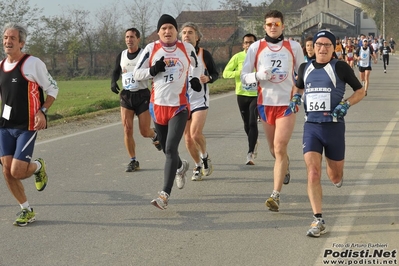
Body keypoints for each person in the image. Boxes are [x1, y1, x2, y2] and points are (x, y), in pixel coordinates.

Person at [289, 30, 365, 237]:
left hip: (334, 128)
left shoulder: (339, 67)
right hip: (311, 127)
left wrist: (346, 105)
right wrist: (296, 98)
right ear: (313, 47)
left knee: (334, 175)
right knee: (313, 172)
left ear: (334, 48)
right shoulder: (305, 67)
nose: (322, 48)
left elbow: (360, 91)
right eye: (319, 44)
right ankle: (317, 219)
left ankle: (337, 176)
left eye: (327, 45)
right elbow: (298, 88)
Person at [133, 14, 201, 210]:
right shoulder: (151, 48)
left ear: (176, 31)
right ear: (159, 31)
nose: (167, 31)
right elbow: (137, 74)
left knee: (171, 148)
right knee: (165, 148)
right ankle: (180, 167)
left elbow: (196, 65)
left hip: (179, 107)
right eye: (163, 28)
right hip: (157, 106)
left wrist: (195, 79)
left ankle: (164, 195)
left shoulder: (186, 48)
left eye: (171, 28)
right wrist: (153, 70)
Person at [241, 10, 304, 212]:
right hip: (265, 104)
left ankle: (275, 195)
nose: (273, 27)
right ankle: (285, 164)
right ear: (264, 27)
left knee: (279, 147)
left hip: (286, 105)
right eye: (269, 24)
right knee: (274, 151)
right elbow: (244, 76)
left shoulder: (293, 46)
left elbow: (302, 75)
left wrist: (297, 96)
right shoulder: (256, 47)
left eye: (276, 24)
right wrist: (257, 75)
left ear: (283, 26)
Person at [0, 23, 59, 226]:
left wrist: (43, 111)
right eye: (6, 37)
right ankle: (26, 210)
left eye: (12, 38)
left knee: (17, 171)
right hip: (5, 127)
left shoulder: (32, 64)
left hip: (27, 126)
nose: (8, 41)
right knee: (7, 170)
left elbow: (53, 89)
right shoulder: (0, 66)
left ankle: (37, 167)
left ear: (21, 43)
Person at [110, 28, 162, 172]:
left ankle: (155, 135)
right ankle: (133, 160)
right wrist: (113, 82)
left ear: (138, 39)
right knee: (127, 129)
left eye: (132, 37)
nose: (129, 40)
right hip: (127, 95)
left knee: (144, 131)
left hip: (142, 95)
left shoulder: (144, 54)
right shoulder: (121, 55)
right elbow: (116, 71)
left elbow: (154, 70)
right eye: (127, 37)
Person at [179, 22, 218, 181]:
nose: (186, 35)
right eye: (184, 33)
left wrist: (208, 78)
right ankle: (198, 164)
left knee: (195, 134)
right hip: (182, 101)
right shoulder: (177, 54)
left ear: (197, 37)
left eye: (190, 32)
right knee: (187, 139)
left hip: (199, 100)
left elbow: (215, 74)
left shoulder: (204, 54)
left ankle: (204, 156)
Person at [223, 33, 260, 165]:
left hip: (256, 94)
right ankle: (253, 141)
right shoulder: (238, 57)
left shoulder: (261, 56)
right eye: (246, 42)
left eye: (251, 42)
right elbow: (225, 73)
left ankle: (250, 153)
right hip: (242, 94)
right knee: (246, 124)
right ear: (243, 45)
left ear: (256, 44)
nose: (249, 45)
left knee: (252, 122)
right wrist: (239, 73)